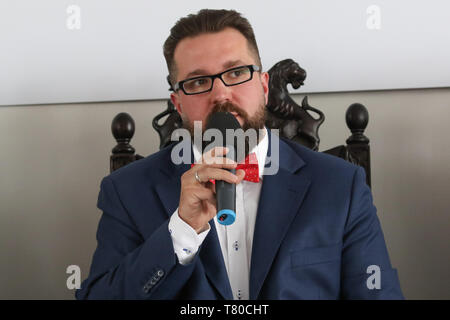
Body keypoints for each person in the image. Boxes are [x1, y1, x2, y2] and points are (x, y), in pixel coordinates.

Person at [76, 9, 403, 300]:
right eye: (199, 81)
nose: (221, 93)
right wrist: (181, 231)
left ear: (263, 85)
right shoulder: (126, 190)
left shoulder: (341, 185)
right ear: (178, 104)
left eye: (235, 73)